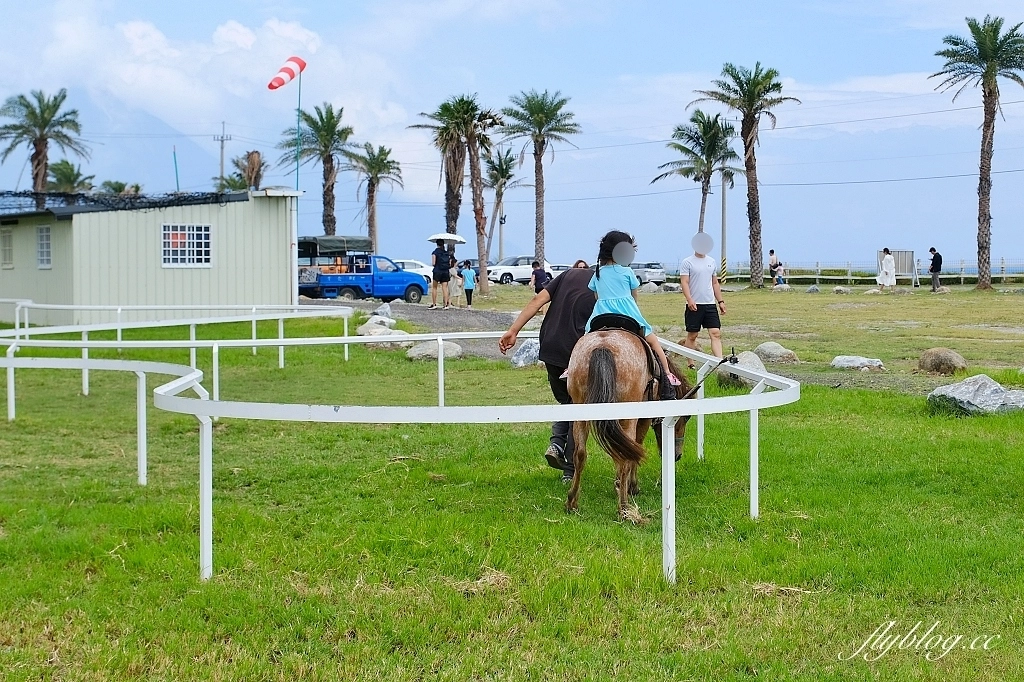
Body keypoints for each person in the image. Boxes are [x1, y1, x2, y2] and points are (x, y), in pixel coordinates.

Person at [499, 264, 596, 482]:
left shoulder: (566, 275)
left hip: (551, 348)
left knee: (568, 403)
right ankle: (569, 470)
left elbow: (537, 301)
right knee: (578, 408)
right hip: (577, 353)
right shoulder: (600, 281)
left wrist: (513, 331)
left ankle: (556, 443)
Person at [581, 230, 680, 401]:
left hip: (601, 312)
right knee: (653, 341)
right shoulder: (627, 272)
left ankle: (570, 367)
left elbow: (596, 297)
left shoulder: (598, 272)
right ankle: (667, 373)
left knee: (584, 339)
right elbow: (634, 296)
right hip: (627, 312)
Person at [680, 239, 727, 363]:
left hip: (710, 304)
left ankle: (719, 362)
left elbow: (715, 282)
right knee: (692, 335)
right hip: (694, 304)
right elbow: (684, 282)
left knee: (715, 333)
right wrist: (689, 299)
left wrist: (720, 301)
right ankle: (691, 363)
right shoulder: (687, 262)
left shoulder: (711, 261)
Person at [428, 240, 455, 309]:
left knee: (434, 287)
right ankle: (446, 305)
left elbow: (433, 263)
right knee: (444, 288)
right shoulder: (446, 253)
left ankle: (434, 304)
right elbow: (449, 263)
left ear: (437, 244)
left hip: (437, 271)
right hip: (445, 272)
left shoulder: (435, 252)